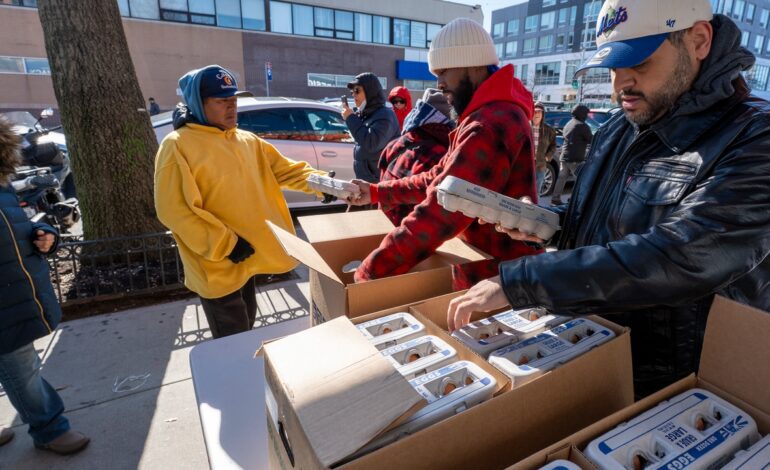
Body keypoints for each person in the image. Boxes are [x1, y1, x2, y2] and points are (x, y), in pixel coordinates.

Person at [446, 0, 770, 397]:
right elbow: (603, 220)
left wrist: (525, 280)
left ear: (699, 40)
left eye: (639, 63)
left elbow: (683, 256)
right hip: (599, 343)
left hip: (689, 380)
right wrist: (546, 225)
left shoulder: (754, 136)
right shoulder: (622, 125)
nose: (621, 84)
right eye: (614, 67)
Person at [350, 18, 542, 289]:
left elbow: (442, 211)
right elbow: (438, 180)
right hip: (493, 271)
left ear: (474, 64)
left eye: (443, 71)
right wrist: (376, 192)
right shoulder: (484, 115)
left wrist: (370, 272)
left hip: (497, 279)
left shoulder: (488, 124)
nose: (438, 83)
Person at [154, 65, 330, 339]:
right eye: (222, 101)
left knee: (246, 332)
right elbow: (175, 210)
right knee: (232, 345)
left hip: (247, 259)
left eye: (234, 100)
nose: (232, 107)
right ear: (198, 104)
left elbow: (287, 170)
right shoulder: (177, 145)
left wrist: (326, 184)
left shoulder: (247, 140)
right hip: (216, 267)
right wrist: (227, 243)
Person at [0, 116, 90, 454]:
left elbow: (18, 231)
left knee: (19, 365)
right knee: (22, 370)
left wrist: (46, 237)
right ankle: (50, 429)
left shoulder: (3, 189)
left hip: (13, 296)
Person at [377, 88, 455, 226]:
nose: (398, 104)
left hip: (384, 226)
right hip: (413, 235)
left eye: (401, 101)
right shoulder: (444, 155)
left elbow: (381, 184)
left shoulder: (394, 144)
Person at [342, 73, 400, 184]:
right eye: (352, 92)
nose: (354, 95)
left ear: (370, 91)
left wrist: (350, 118)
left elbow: (371, 143)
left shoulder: (385, 115)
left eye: (357, 91)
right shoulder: (364, 114)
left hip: (381, 184)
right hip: (368, 182)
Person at [549, 104, 592, 205]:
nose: (586, 116)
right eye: (586, 114)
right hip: (575, 158)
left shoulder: (569, 123)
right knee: (580, 180)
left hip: (564, 157)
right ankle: (573, 200)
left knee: (561, 178)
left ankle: (555, 199)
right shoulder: (582, 126)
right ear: (581, 114)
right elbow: (591, 139)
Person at [531, 102, 557, 195]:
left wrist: (547, 157)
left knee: (536, 192)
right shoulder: (526, 127)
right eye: (535, 112)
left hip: (540, 165)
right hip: (526, 165)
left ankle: (533, 208)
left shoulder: (549, 130)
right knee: (523, 190)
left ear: (542, 114)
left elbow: (553, 145)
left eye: (539, 112)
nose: (537, 114)